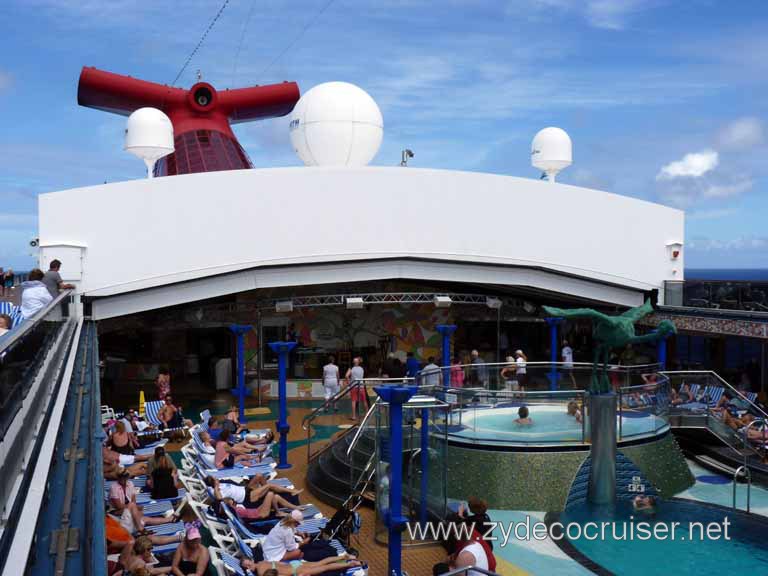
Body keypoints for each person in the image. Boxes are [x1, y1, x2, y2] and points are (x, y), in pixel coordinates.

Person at [108, 469, 178, 534]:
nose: (124, 479)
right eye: (122, 477)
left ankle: (169, 519)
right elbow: (119, 506)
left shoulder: (130, 484)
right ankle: (141, 529)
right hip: (117, 513)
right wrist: (133, 507)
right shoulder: (114, 487)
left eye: (125, 477)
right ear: (118, 477)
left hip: (128, 515)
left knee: (145, 518)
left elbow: (133, 500)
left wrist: (135, 509)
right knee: (133, 506)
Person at [205, 474, 303, 509]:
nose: (217, 479)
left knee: (259, 476)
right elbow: (219, 498)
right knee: (269, 486)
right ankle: (291, 491)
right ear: (214, 483)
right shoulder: (216, 491)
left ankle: (268, 493)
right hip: (247, 498)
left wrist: (217, 483)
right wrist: (216, 487)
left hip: (246, 489)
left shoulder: (220, 483)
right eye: (215, 479)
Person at [240, 556, 362, 576]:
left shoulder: (261, 573)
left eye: (247, 564)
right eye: (247, 566)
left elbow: (281, 574)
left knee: (325, 567)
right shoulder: (261, 561)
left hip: (296, 570)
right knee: (322, 562)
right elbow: (280, 563)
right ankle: (345, 557)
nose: (248, 566)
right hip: (294, 564)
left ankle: (350, 563)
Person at [346, 357, 367, 421]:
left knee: (353, 401)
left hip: (354, 386)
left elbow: (346, 376)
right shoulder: (362, 368)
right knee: (364, 400)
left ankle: (354, 416)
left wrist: (349, 383)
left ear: (353, 362)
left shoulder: (351, 369)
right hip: (361, 386)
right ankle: (367, 414)